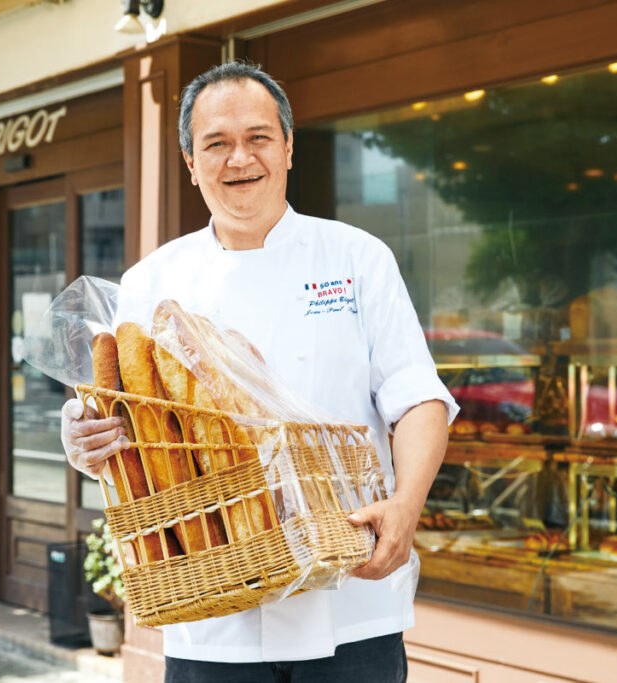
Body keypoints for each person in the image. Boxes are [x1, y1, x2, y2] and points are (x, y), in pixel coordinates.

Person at [62, 61, 457, 682]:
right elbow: (127, 431)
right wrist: (85, 437)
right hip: (213, 615)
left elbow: (417, 400)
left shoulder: (356, 258)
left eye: (258, 138)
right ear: (191, 163)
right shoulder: (149, 285)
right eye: (216, 143)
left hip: (351, 600)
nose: (239, 158)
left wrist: (406, 505)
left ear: (289, 148)